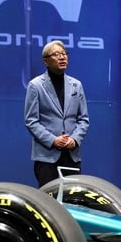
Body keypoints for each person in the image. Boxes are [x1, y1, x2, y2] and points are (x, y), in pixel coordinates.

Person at [24, 40, 89, 187]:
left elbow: (83, 119)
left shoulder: (76, 85)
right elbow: (31, 121)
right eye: (57, 54)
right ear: (46, 61)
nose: (62, 57)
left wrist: (75, 139)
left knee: (72, 199)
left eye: (64, 54)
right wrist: (53, 140)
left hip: (72, 155)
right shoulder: (36, 85)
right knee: (49, 199)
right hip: (47, 156)